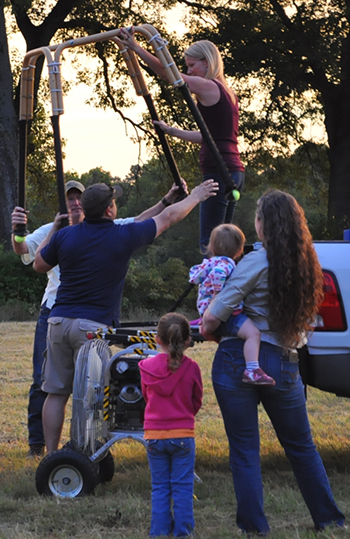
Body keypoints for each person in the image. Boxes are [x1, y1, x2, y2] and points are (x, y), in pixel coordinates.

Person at [32, 178, 218, 455]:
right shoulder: (122, 235)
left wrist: (55, 231)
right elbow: (167, 219)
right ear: (109, 210)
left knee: (56, 393)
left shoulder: (65, 236)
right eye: (114, 202)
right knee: (91, 395)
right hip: (91, 328)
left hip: (57, 321)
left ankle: (50, 455)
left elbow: (38, 264)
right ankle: (86, 452)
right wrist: (197, 197)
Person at [200, 190, 346, 535]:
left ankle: (254, 527)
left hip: (240, 359)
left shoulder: (254, 261)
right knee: (301, 446)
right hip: (284, 361)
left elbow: (213, 316)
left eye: (257, 218)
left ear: (263, 224)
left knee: (245, 449)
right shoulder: (308, 264)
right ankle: (329, 519)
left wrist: (210, 324)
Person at [118, 31, 245, 254]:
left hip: (220, 172)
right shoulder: (227, 92)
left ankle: (212, 286)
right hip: (232, 171)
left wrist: (137, 49)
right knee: (224, 243)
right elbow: (210, 136)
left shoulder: (210, 86)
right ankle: (224, 282)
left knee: (210, 243)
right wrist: (172, 131)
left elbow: (172, 76)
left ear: (207, 63)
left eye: (192, 65)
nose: (188, 71)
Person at [138, 312, 202, 538]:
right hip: (183, 434)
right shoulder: (192, 368)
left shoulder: (145, 366)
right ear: (187, 340)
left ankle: (159, 531)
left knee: (160, 486)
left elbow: (147, 398)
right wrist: (184, 414)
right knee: (183, 486)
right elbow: (197, 401)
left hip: (154, 435)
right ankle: (183, 532)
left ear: (157, 339)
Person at [189, 223, 271, 385]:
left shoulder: (208, 262)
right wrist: (219, 295)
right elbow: (218, 275)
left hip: (205, 310)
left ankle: (207, 329)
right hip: (227, 313)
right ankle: (252, 369)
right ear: (240, 250)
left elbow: (194, 277)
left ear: (211, 247)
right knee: (253, 334)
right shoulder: (227, 264)